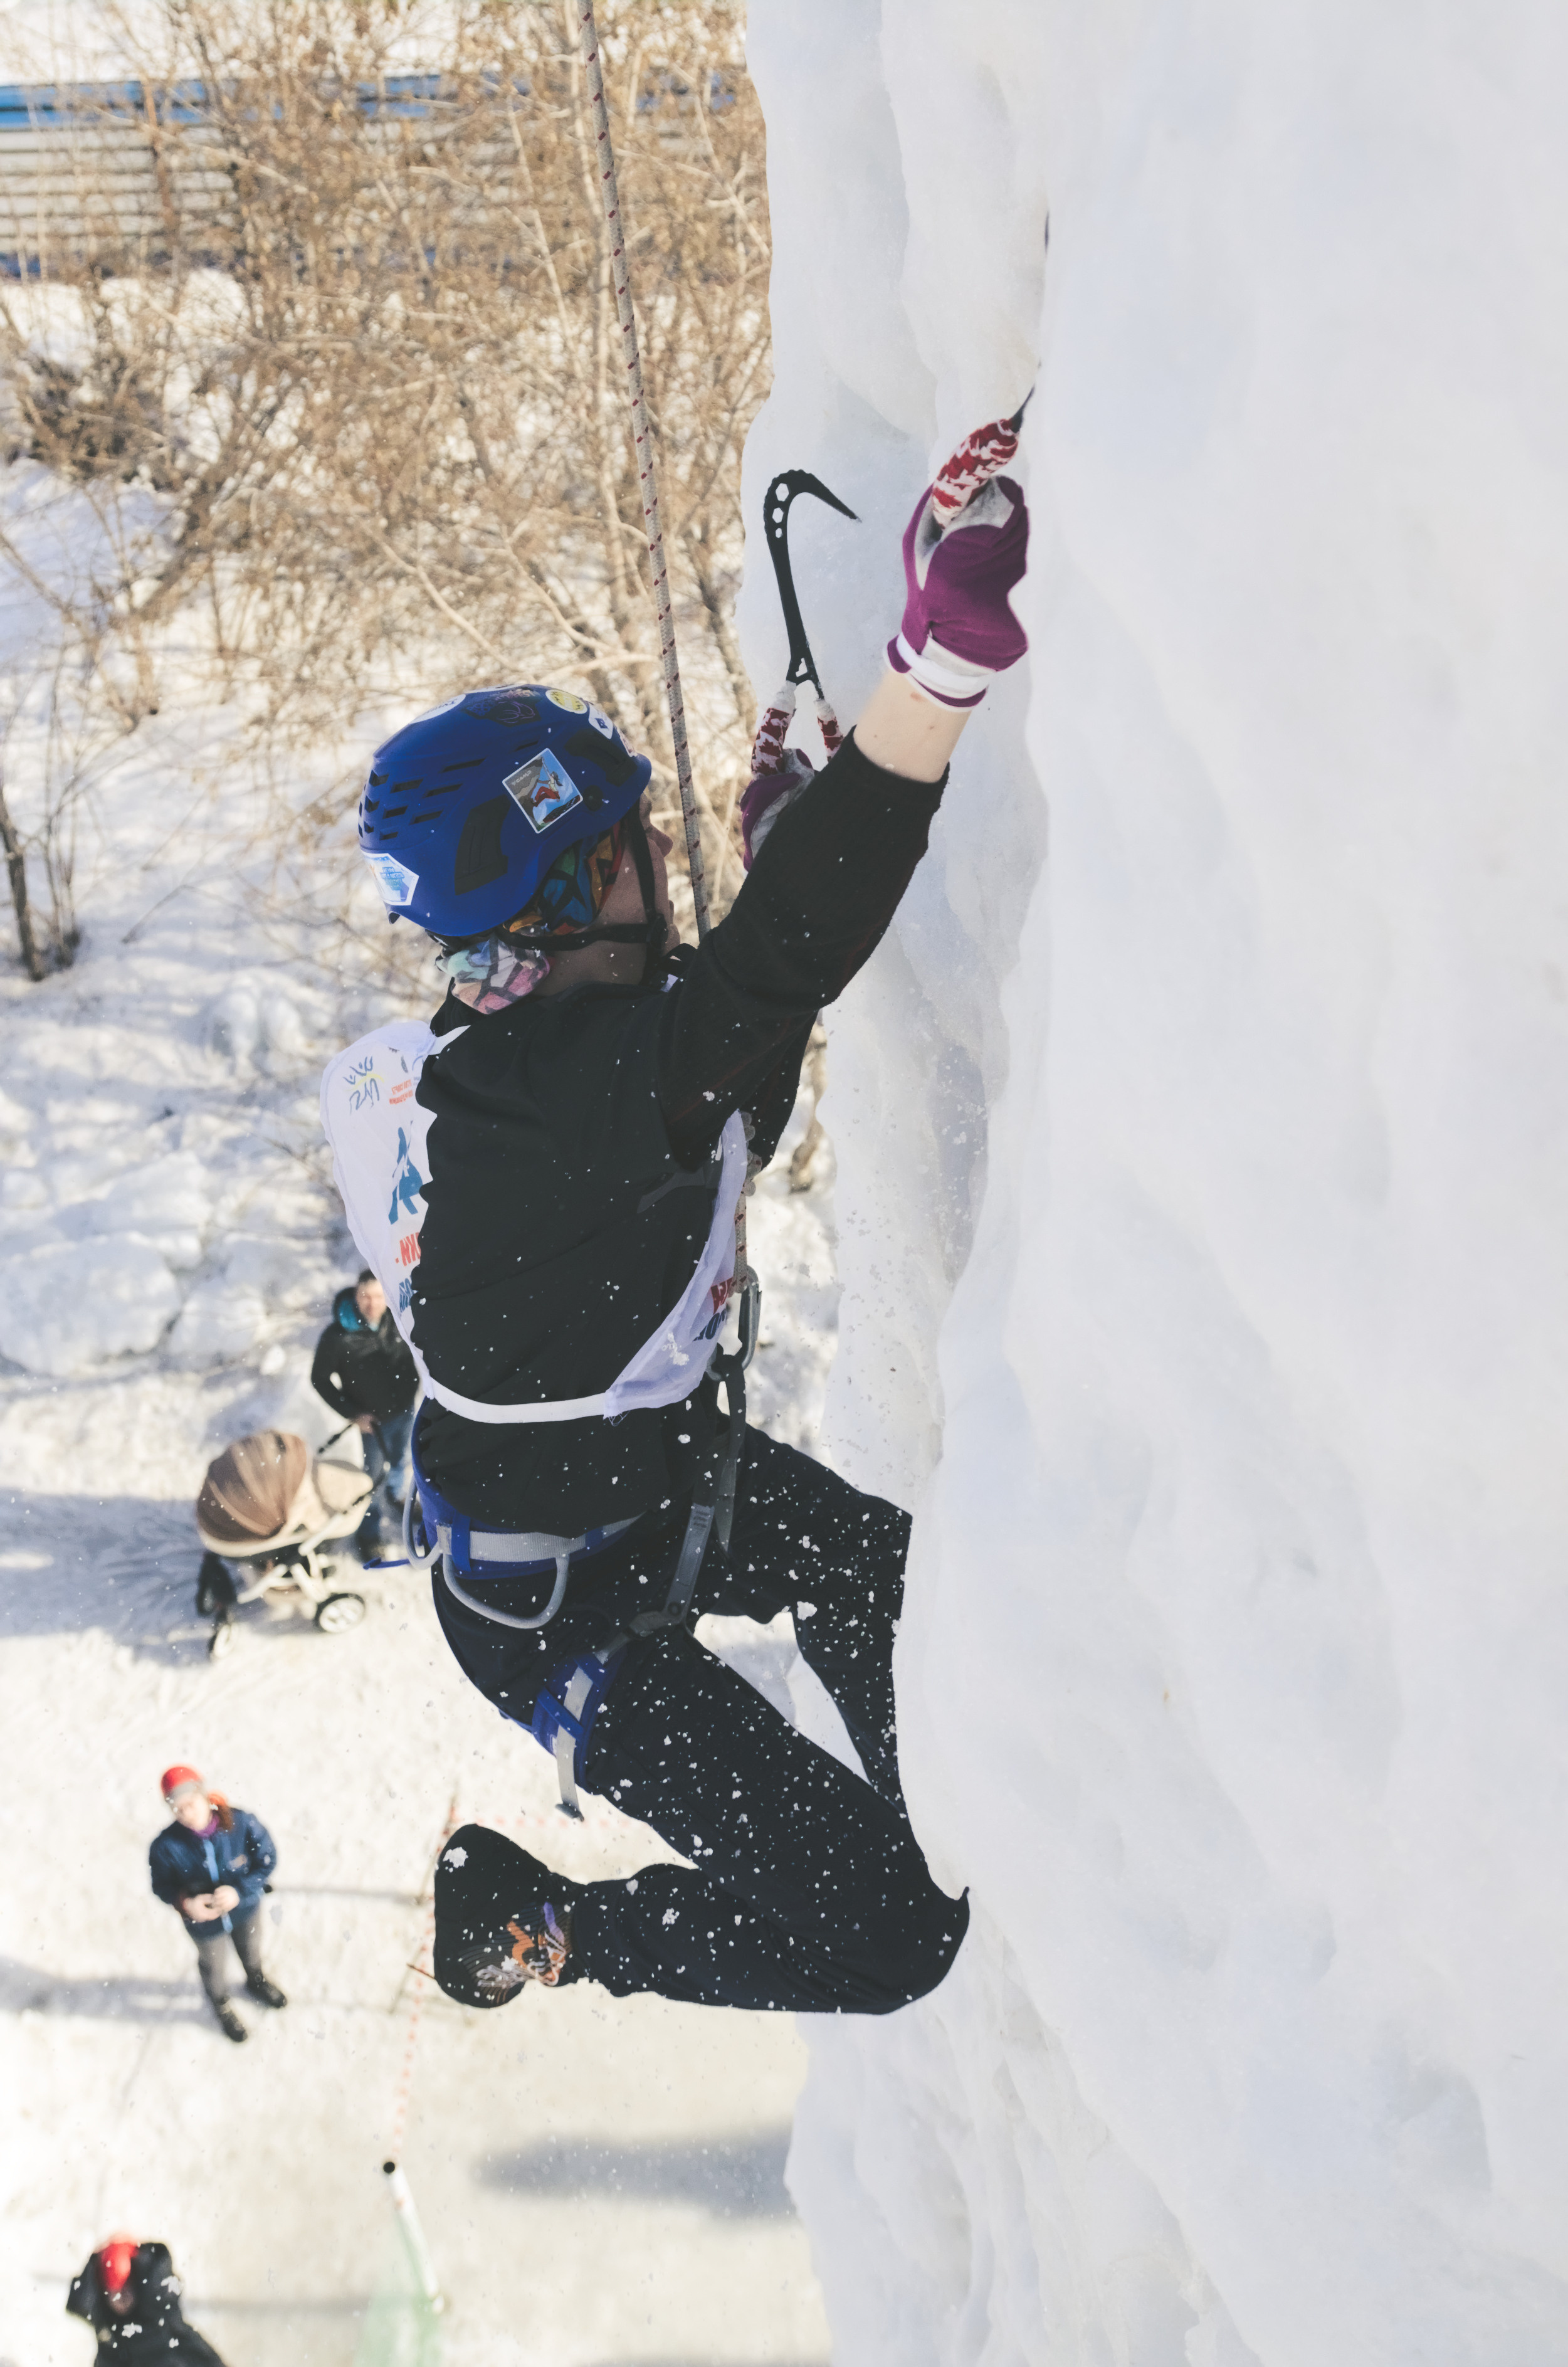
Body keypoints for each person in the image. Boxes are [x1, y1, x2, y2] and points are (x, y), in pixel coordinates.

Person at [320, 429, 1029, 2015]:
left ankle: (991, 1814)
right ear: (566, 894)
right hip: (559, 1610)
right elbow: (767, 983)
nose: (663, 862)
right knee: (895, 1938)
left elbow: (709, 1071)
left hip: (649, 1482)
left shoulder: (515, 1072)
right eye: (636, 847)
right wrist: (933, 677)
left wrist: (786, 848)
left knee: (888, 1579)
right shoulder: (531, 1107)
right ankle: (553, 1930)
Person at [147, 1766, 286, 2042]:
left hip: (246, 1910)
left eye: (191, 1804)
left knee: (251, 1950)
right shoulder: (165, 1847)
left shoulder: (241, 1824)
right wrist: (186, 1903)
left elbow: (266, 1859)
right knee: (213, 1967)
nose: (186, 1814)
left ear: (205, 1797)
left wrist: (240, 1891)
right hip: (204, 1925)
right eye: (178, 1809)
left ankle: (255, 1980)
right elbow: (161, 1886)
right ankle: (220, 2003)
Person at [310, 1268, 418, 1553]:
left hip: (405, 1411)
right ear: (355, 1295)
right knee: (371, 1479)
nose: (372, 1303)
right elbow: (319, 1379)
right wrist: (353, 1414)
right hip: (373, 1423)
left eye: (378, 1296)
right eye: (365, 1296)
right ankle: (368, 1533)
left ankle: (396, 1498)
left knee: (401, 1461)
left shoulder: (399, 1320)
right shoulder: (338, 1337)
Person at [66, 2233, 228, 2362]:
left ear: (140, 2285)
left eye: (126, 2290)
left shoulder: (171, 2334)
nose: (120, 2300)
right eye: (113, 2293)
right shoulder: (110, 2343)